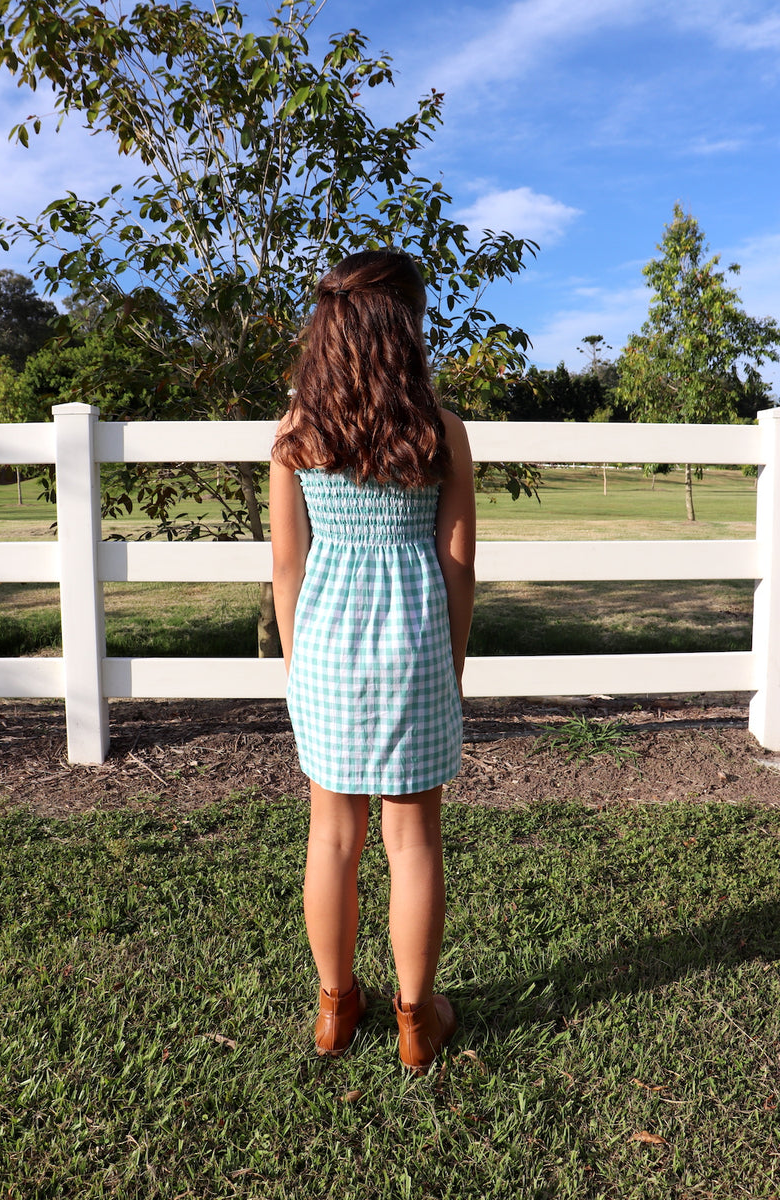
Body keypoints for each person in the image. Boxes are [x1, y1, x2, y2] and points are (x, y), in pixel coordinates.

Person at [269, 248, 475, 1073]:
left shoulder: (296, 433)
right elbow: (456, 562)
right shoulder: (440, 430)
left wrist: (297, 668)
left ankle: (335, 1009)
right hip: (416, 648)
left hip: (324, 649)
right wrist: (449, 666)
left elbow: (288, 566)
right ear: (406, 325)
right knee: (413, 841)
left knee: (332, 839)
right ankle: (416, 1021)